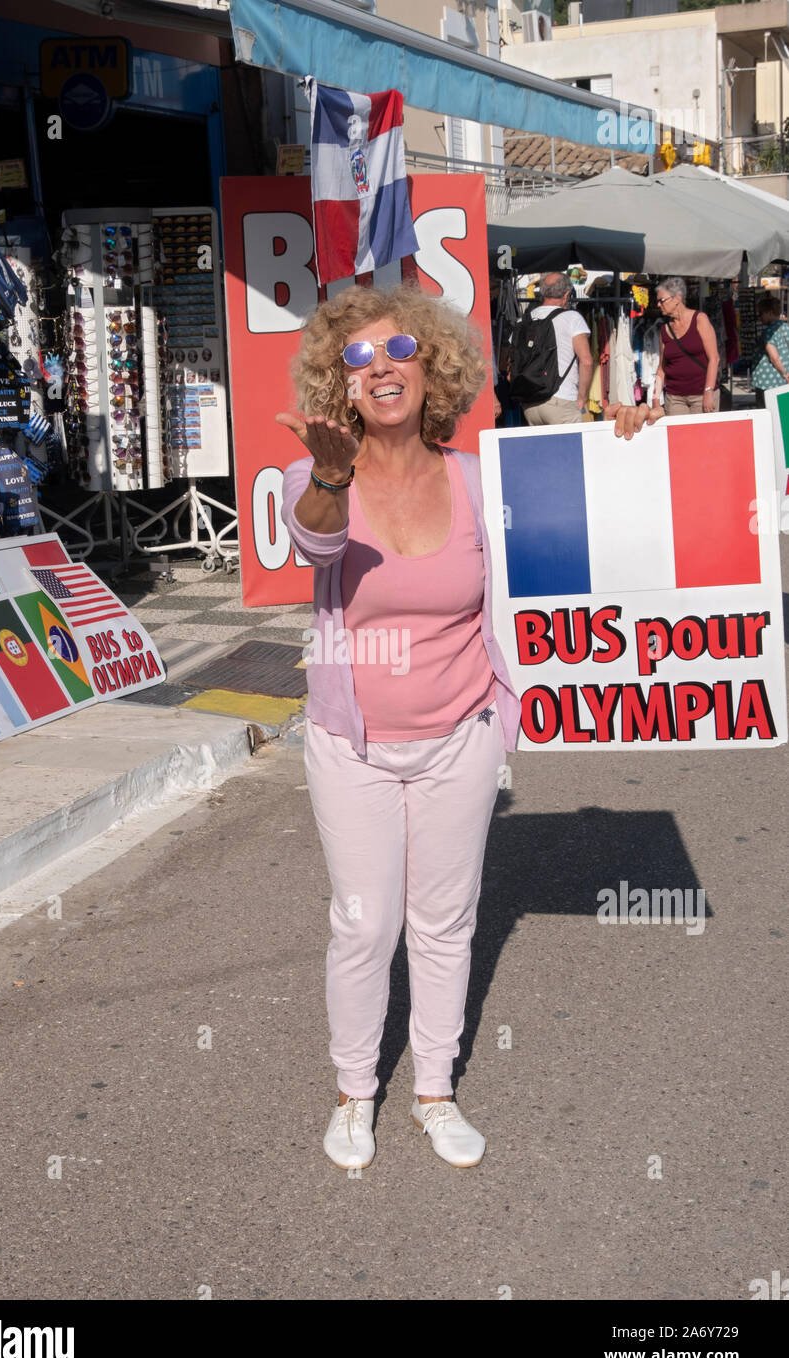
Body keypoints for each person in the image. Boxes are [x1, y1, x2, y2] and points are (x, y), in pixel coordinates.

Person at [275, 282, 661, 1172]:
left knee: (446, 920)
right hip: (355, 742)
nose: (381, 370)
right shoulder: (317, 472)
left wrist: (629, 446)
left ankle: (435, 1090)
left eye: (398, 351)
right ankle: (352, 1092)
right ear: (342, 381)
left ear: (431, 365)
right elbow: (316, 540)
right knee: (366, 923)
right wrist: (333, 476)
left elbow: (585, 509)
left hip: (461, 733)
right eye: (359, 357)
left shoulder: (479, 479)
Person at [521, 271, 593, 426]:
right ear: (566, 295)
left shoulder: (525, 320)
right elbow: (586, 361)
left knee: (543, 450)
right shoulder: (572, 318)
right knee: (570, 449)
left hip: (530, 404)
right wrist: (582, 397)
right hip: (562, 400)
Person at [653, 276, 720, 415]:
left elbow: (714, 358)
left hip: (701, 395)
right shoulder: (664, 330)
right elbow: (662, 368)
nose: (658, 305)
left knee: (704, 436)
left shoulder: (700, 319)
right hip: (674, 398)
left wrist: (709, 391)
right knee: (677, 436)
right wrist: (655, 399)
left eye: (662, 300)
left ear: (677, 298)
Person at [751, 295, 789, 407]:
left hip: (767, 382)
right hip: (781, 382)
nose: (759, 317)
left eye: (761, 313)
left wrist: (785, 374)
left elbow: (774, 358)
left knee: (767, 413)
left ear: (770, 312)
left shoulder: (769, 332)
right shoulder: (786, 327)